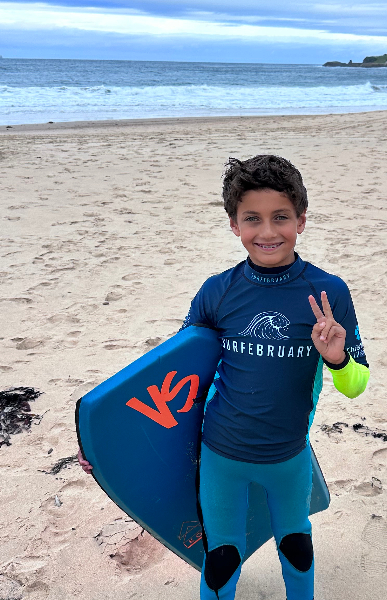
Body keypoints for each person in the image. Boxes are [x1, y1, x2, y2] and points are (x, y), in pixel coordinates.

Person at [78, 155, 370, 600]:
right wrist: (105, 445)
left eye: (281, 217)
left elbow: (355, 386)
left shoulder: (328, 293)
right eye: (252, 219)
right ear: (234, 224)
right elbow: (171, 378)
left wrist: (336, 360)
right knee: (221, 557)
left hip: (288, 457)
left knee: (296, 545)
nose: (267, 232)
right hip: (220, 456)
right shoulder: (217, 291)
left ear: (301, 220)